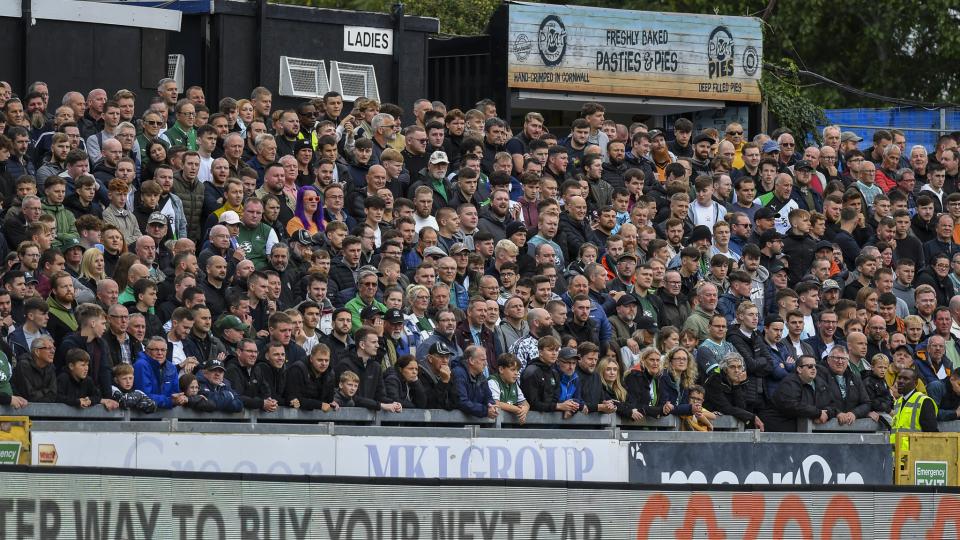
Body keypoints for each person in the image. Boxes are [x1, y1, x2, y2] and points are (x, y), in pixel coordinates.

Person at [764, 355, 830, 432]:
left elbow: (830, 403)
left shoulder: (819, 383)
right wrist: (818, 413)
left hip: (800, 429)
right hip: (777, 429)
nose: (813, 368)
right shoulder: (790, 383)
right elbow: (792, 405)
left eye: (815, 366)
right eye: (809, 366)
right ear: (799, 369)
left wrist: (827, 414)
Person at [702, 352, 764, 430]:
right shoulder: (714, 380)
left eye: (739, 367)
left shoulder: (740, 380)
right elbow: (726, 408)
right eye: (732, 367)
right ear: (725, 369)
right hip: (710, 425)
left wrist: (736, 385)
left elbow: (741, 407)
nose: (736, 370)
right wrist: (752, 417)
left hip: (729, 424)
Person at [133, 336, 188, 409]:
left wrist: (180, 398)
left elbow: (175, 392)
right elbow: (143, 395)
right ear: (147, 350)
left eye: (163, 350)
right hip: (144, 413)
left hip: (166, 413)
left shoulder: (171, 367)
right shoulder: (141, 365)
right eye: (156, 350)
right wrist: (169, 401)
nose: (160, 353)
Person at [488, 353, 529, 423]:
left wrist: (524, 410)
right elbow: (496, 403)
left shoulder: (514, 384)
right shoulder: (493, 381)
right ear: (501, 369)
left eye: (517, 370)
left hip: (507, 423)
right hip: (492, 424)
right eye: (513, 370)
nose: (516, 373)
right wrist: (517, 409)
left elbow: (525, 403)